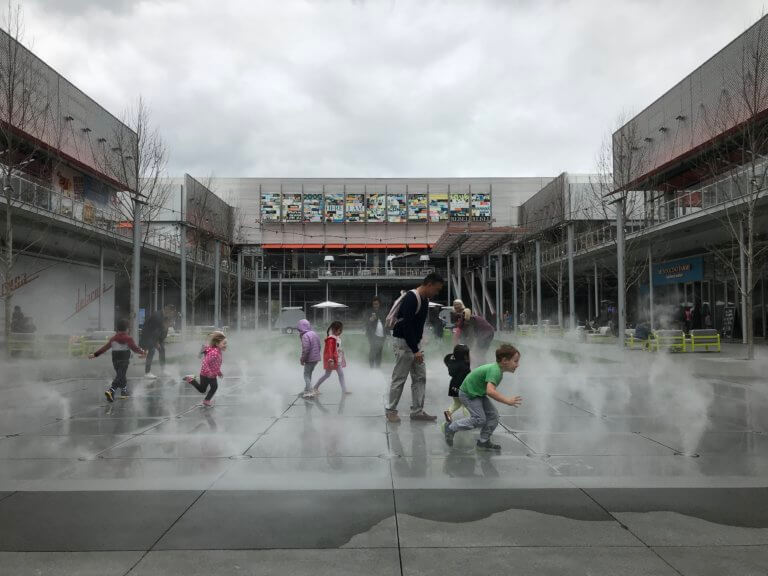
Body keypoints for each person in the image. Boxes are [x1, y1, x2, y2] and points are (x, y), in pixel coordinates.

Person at [385, 272, 444, 423]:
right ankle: (391, 410)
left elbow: (418, 324)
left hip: (414, 343)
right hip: (403, 343)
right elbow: (406, 326)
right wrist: (415, 349)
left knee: (420, 377)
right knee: (399, 378)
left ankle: (417, 411)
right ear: (429, 284)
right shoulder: (412, 298)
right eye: (436, 289)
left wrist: (420, 340)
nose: (436, 293)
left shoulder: (425, 300)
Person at [444, 344, 523, 451]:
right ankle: (450, 428)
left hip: (477, 393)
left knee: (493, 416)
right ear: (505, 360)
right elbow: (490, 391)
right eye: (515, 361)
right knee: (479, 419)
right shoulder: (495, 371)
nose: (517, 365)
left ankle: (483, 441)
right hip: (468, 393)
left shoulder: (497, 370)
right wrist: (507, 401)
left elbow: (488, 390)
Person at [89, 318, 146, 402]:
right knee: (120, 376)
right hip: (124, 360)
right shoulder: (128, 338)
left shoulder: (113, 339)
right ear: (127, 329)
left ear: (117, 329)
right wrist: (142, 352)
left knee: (121, 375)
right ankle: (111, 390)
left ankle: (124, 391)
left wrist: (95, 354)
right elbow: (135, 348)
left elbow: (105, 348)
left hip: (115, 361)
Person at [183, 331, 227, 407]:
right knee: (213, 387)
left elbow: (216, 364)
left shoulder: (218, 352)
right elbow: (205, 362)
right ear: (217, 344)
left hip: (211, 374)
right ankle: (206, 400)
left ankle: (190, 380)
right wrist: (209, 372)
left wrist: (219, 372)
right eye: (224, 343)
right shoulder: (214, 353)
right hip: (206, 374)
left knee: (202, 389)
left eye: (226, 343)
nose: (225, 345)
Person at [313, 321, 348, 395]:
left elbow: (336, 348)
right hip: (332, 360)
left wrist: (340, 350)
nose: (340, 332)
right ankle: (315, 387)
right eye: (339, 330)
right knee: (327, 374)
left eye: (341, 330)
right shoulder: (331, 339)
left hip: (337, 359)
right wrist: (330, 360)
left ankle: (344, 390)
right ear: (334, 330)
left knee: (340, 374)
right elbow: (329, 350)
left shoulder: (336, 338)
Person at [443, 344, 471, 423]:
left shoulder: (452, 362)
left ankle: (448, 412)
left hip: (453, 386)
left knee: (457, 403)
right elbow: (469, 375)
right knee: (466, 404)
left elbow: (448, 359)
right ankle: (469, 420)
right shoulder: (464, 365)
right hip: (462, 387)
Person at [297, 319, 322, 398]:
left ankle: (310, 391)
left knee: (306, 375)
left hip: (309, 359)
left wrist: (302, 359)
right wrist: (317, 355)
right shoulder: (314, 333)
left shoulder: (305, 336)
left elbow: (306, 349)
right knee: (309, 374)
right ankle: (307, 389)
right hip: (316, 359)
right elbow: (319, 345)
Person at [141, 308, 168, 379]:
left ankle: (163, 370)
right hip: (149, 336)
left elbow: (162, 335)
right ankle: (147, 372)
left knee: (162, 350)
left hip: (155, 338)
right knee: (151, 351)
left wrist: (160, 342)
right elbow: (153, 332)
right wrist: (156, 342)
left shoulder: (164, 323)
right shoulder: (158, 318)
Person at [365, 296, 387, 368]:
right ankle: (371, 367)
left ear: (379, 304)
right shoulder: (369, 312)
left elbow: (386, 323)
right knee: (373, 351)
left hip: (382, 336)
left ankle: (378, 368)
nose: (375, 305)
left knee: (379, 352)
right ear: (372, 304)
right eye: (374, 304)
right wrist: (370, 319)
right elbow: (365, 322)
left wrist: (387, 334)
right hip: (372, 335)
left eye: (377, 304)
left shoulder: (382, 312)